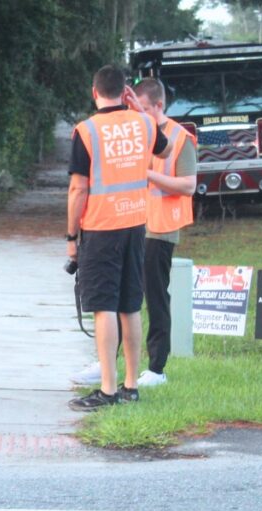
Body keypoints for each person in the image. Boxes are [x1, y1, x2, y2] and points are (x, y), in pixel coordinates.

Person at [66, 65, 169, 411]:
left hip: (101, 227)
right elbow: (165, 150)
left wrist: (70, 236)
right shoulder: (143, 124)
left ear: (95, 92)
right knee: (129, 305)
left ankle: (107, 391)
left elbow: (79, 188)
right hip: (135, 224)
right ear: (125, 92)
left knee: (103, 307)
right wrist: (140, 110)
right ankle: (130, 385)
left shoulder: (87, 131)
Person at [133, 77, 197, 387]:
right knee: (125, 296)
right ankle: (111, 360)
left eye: (144, 108)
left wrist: (149, 175)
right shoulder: (137, 133)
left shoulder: (179, 137)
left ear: (159, 106)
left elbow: (189, 185)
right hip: (132, 224)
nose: (140, 113)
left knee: (155, 298)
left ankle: (157, 368)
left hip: (160, 229)